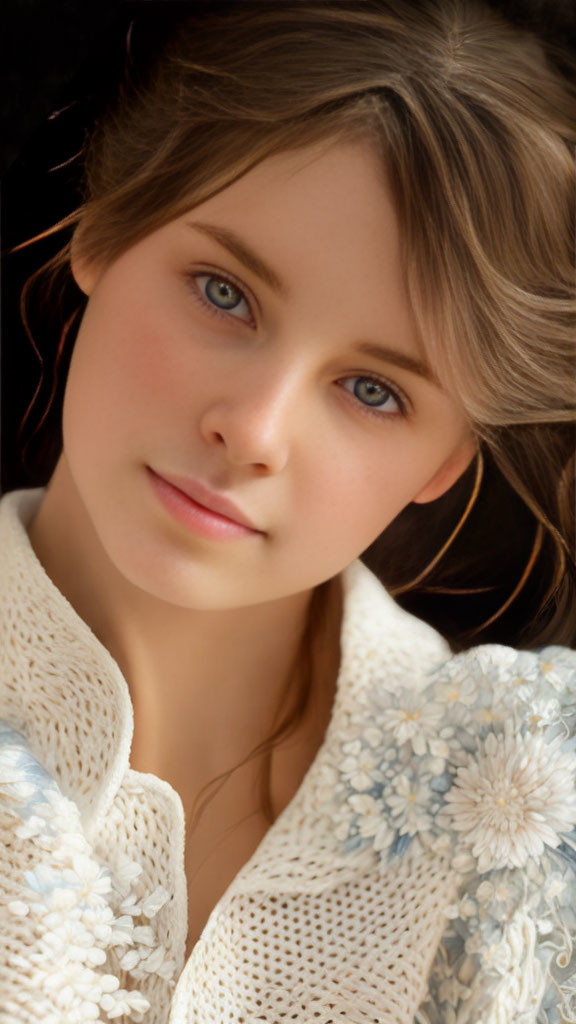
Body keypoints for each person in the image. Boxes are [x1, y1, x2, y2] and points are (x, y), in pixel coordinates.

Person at [0, 0, 575, 1021]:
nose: (256, 430)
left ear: (445, 458)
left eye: (372, 390)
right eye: (224, 292)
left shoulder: (527, 813)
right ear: (103, 228)